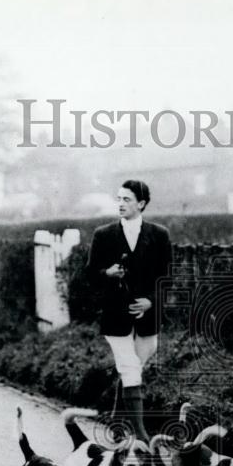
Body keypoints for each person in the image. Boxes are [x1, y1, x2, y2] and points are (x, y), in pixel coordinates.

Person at [86, 180, 172, 441]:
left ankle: (116, 421)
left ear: (141, 204)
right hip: (115, 316)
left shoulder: (159, 235)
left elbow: (167, 277)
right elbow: (89, 274)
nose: (120, 204)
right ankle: (140, 434)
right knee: (129, 366)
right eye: (119, 199)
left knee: (133, 369)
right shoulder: (104, 235)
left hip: (148, 317)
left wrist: (151, 301)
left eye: (126, 199)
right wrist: (107, 273)